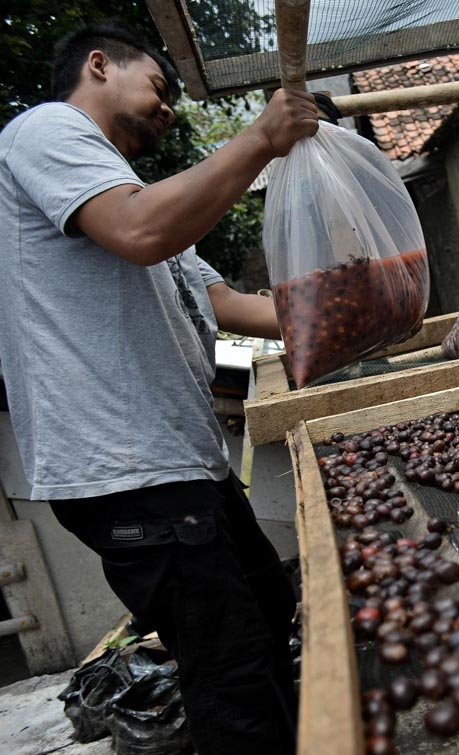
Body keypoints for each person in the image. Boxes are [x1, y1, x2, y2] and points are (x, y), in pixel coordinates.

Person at [0, 20, 320, 755]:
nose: (169, 107)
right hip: (131, 471)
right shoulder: (44, 132)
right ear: (100, 64)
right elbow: (142, 232)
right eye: (160, 87)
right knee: (231, 669)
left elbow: (230, 306)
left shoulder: (127, 192)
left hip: (185, 467)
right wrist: (259, 141)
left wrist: (350, 313)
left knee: (269, 618)